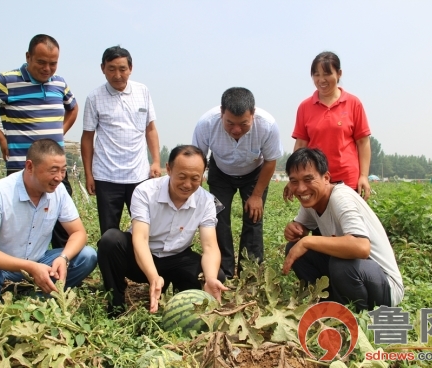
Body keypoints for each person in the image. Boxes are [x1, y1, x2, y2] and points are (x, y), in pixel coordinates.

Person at [0, 34, 78, 249]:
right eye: (41, 62)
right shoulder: (7, 81)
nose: (47, 69)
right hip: (22, 167)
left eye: (53, 63)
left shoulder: (59, 83)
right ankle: (19, 271)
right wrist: (0, 136)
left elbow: (73, 108)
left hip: (56, 168)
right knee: (22, 226)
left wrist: (59, 133)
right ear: (28, 57)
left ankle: (60, 271)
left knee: (62, 224)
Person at [97, 145, 228, 317]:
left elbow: (210, 247)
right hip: (142, 258)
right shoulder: (145, 191)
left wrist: (210, 278)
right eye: (182, 177)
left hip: (177, 258)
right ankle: (116, 304)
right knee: (110, 241)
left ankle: (181, 299)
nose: (188, 184)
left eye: (195, 178)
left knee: (215, 274)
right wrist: (153, 276)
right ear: (168, 169)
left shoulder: (207, 201)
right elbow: (140, 239)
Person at [0, 139, 97, 301]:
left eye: (63, 170)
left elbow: (78, 233)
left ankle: (36, 296)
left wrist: (63, 258)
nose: (59, 177)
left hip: (40, 261)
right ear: (30, 167)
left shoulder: (59, 191)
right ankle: (0, 298)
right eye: (53, 170)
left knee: (87, 255)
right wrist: (30, 267)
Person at [282, 148, 403, 312]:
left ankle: (358, 317)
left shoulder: (341, 197)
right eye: (294, 181)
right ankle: (327, 302)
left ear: (326, 178)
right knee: (295, 249)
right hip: (355, 275)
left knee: (341, 264)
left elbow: (361, 247)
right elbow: (300, 228)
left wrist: (308, 240)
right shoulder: (312, 200)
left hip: (384, 285)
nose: (301, 189)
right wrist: (294, 230)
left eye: (308, 179)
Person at [192, 87, 283, 278]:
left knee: (253, 219)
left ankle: (250, 273)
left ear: (253, 114)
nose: (236, 130)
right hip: (220, 173)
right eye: (230, 123)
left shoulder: (267, 125)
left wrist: (257, 195)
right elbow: (197, 160)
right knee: (218, 218)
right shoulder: (206, 123)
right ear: (221, 112)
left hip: (254, 173)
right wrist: (196, 194)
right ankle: (223, 271)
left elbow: (270, 160)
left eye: (243, 124)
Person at [82, 46, 161, 236]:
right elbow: (87, 138)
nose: (117, 75)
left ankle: (139, 265)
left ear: (130, 68)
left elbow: (150, 129)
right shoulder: (94, 98)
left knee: (144, 227)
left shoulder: (142, 91)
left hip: (139, 174)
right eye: (111, 69)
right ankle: (112, 266)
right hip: (106, 176)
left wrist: (156, 161)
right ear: (103, 68)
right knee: (109, 232)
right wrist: (89, 174)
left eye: (122, 69)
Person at [284, 51, 372, 202]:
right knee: (318, 224)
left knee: (346, 223)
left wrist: (363, 176)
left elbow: (363, 142)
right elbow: (301, 144)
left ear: (339, 74)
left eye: (326, 74)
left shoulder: (353, 103)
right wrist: (295, 177)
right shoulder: (305, 107)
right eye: (316, 74)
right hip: (315, 180)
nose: (321, 80)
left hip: (347, 180)